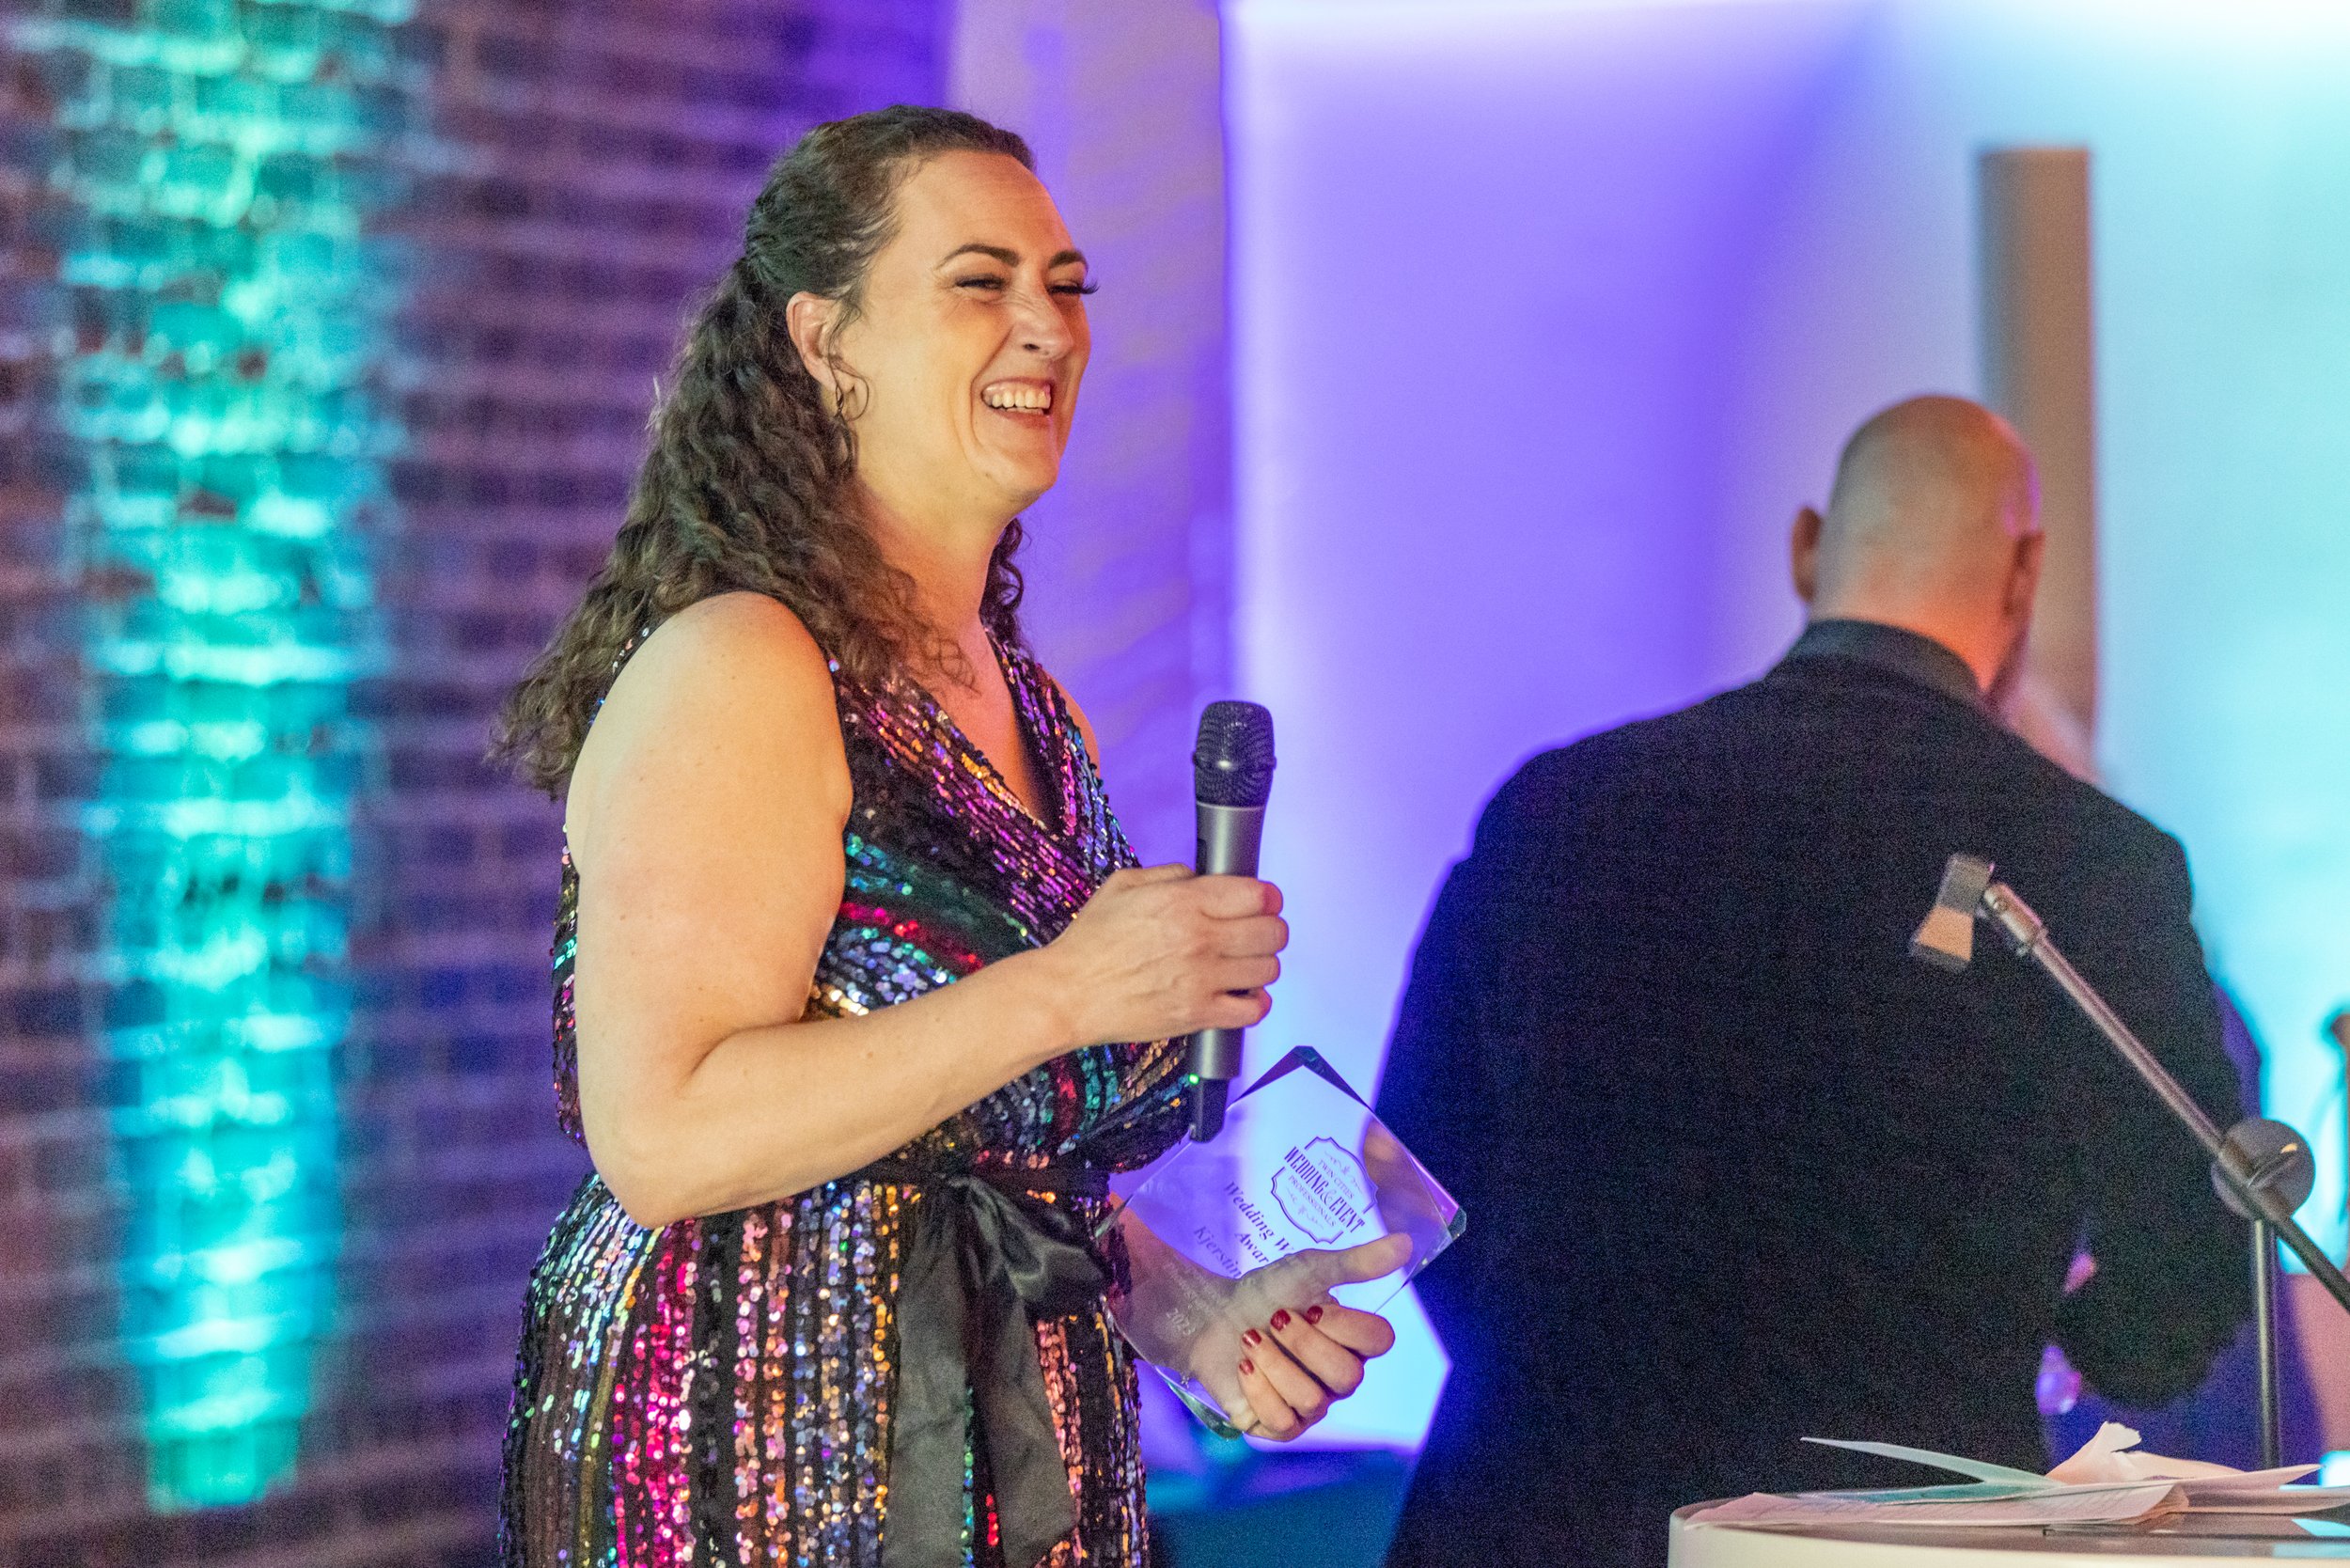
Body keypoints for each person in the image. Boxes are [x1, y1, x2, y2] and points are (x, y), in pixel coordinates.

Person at [492, 106, 1398, 1568]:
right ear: (826, 339)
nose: (1045, 324)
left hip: (1010, 1438)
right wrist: (1067, 991)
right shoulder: (744, 663)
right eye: (979, 283)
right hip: (772, 1463)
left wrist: (1193, 1319)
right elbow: (658, 1134)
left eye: (1067, 285)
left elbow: (1001, 1156)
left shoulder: (1038, 710)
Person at [1376, 396, 2251, 1567]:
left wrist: (1551, 1365)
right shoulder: (2094, 864)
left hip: (1537, 1513)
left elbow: (1410, 1171)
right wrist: (2060, 1340)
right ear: (2024, 573)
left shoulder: (1557, 806)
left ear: (1804, 546)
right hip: (1902, 1532)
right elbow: (2191, 1258)